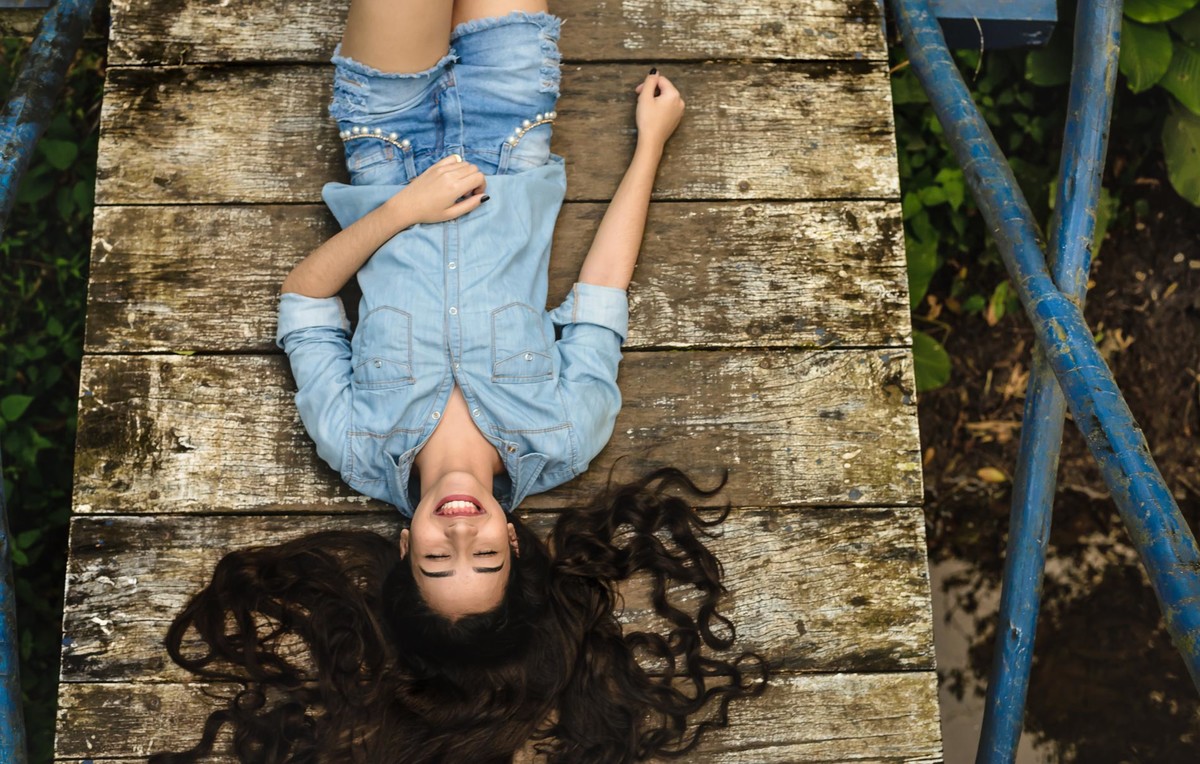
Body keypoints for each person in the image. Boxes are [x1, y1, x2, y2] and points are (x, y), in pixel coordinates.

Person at [151, 2, 766, 762]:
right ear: (515, 544)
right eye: (487, 557)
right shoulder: (565, 436)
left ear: (406, 545)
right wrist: (651, 145)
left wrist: (404, 209)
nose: (462, 533)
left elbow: (305, 301)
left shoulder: (354, 445)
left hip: (387, 145)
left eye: (438, 559)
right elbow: (603, 291)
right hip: (512, 131)